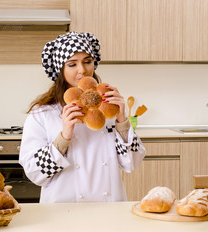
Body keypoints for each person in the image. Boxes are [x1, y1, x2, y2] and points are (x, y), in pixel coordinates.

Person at [19, 31, 146, 203]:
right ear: (60, 69)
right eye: (72, 64)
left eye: (88, 62)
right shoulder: (42, 114)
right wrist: (64, 138)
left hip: (109, 210)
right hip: (62, 213)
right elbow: (35, 173)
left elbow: (131, 163)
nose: (82, 70)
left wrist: (122, 120)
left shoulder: (109, 107)